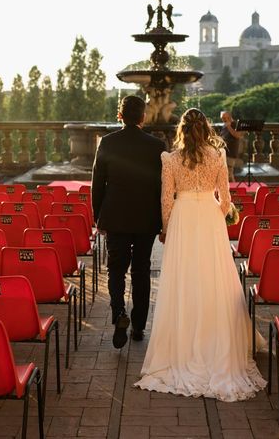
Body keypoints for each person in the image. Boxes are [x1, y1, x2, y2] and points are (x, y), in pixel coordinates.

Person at [135, 108, 266, 402]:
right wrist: (217, 217)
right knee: (212, 279)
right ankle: (214, 341)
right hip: (209, 217)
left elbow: (166, 199)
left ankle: (182, 344)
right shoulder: (217, 156)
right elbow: (226, 198)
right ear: (206, 128)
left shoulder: (169, 159)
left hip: (182, 218)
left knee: (184, 279)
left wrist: (167, 229)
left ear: (181, 130)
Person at [91, 96, 165, 348]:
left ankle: (119, 313)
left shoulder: (108, 143)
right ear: (143, 116)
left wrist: (97, 216)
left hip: (115, 216)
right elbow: (161, 186)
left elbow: (97, 183)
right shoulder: (157, 145)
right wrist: (162, 219)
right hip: (146, 218)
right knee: (141, 270)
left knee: (116, 269)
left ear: (120, 115)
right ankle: (139, 326)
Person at [219, 110, 243, 182]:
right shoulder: (224, 125)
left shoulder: (235, 124)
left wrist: (229, 126)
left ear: (229, 116)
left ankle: (234, 190)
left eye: (224, 117)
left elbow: (238, 136)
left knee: (229, 173)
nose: (222, 119)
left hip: (231, 152)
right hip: (224, 151)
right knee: (225, 173)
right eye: (222, 118)